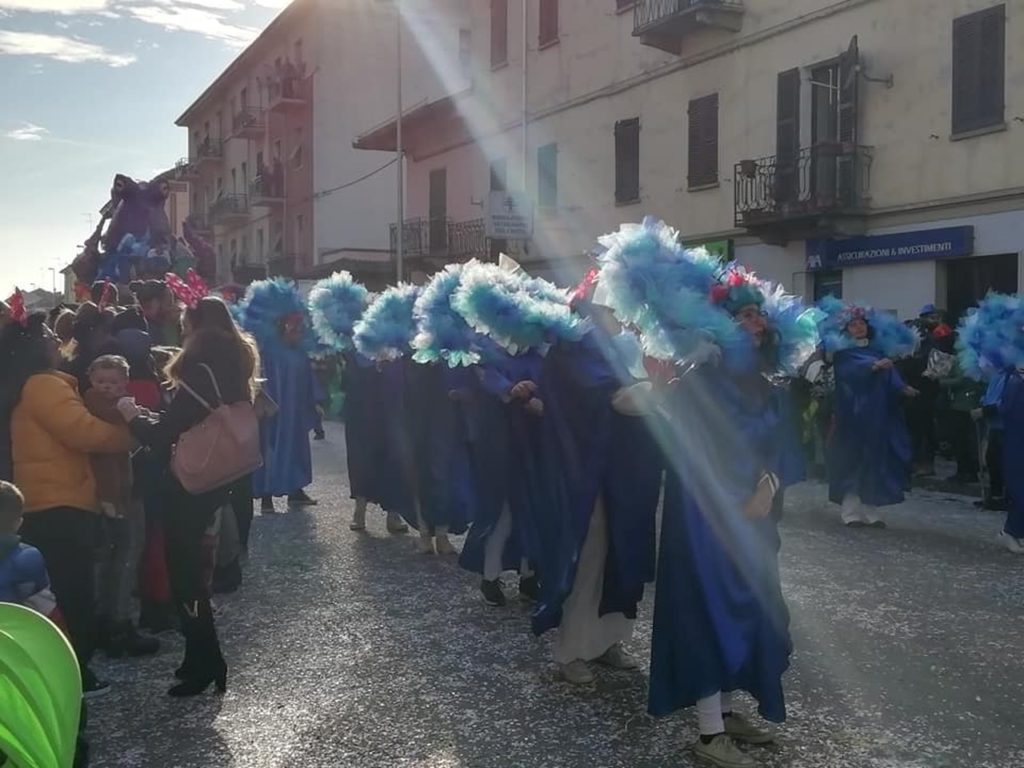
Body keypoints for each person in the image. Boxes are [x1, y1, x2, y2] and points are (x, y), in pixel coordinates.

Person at [116, 293, 258, 696]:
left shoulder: (198, 369)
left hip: (191, 483)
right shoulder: (237, 360)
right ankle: (197, 657)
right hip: (223, 475)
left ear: (194, 327)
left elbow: (165, 435)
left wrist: (132, 416)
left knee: (186, 577)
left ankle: (206, 659)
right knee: (193, 570)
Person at [2, 310, 134, 697]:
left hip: (44, 500)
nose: (54, 337)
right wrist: (133, 434)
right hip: (60, 501)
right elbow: (84, 432)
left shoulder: (33, 383)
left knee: (60, 589)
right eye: (46, 333)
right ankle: (76, 674)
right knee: (72, 592)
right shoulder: (44, 385)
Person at [82, 355, 159, 657]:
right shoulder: (98, 402)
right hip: (110, 490)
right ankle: (117, 621)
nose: (106, 388)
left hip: (116, 485)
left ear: (124, 382)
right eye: (101, 382)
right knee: (124, 551)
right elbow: (123, 424)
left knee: (114, 555)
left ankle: (109, 618)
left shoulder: (113, 403)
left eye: (113, 383)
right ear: (91, 380)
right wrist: (133, 414)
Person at [821, 300, 919, 528]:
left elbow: (890, 376)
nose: (858, 327)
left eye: (861, 323)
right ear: (845, 330)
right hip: (853, 416)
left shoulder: (876, 351)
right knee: (853, 460)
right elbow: (848, 374)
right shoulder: (844, 354)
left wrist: (903, 387)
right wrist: (872, 368)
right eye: (853, 325)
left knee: (875, 460)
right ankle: (850, 510)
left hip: (878, 415)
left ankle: (870, 506)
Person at [236, 278, 318, 515]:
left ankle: (295, 490)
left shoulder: (297, 353)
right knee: (267, 448)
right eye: (293, 325)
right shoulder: (266, 354)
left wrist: (314, 404)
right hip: (271, 414)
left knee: (295, 449)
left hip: (294, 413)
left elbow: (307, 382)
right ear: (280, 324)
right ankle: (266, 496)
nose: (298, 330)